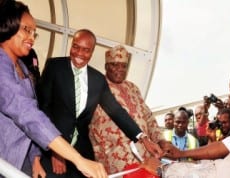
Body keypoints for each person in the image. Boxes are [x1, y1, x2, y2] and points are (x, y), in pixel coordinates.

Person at [0, 1, 107, 178]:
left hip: (20, 160)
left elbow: (33, 111)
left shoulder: (21, 66)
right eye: (27, 30)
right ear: (8, 25)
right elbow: (26, 114)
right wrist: (78, 160)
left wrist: (35, 159)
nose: (32, 38)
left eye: (35, 33)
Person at [38, 31, 163, 177]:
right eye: (76, 47)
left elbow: (117, 111)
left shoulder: (97, 79)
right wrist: (56, 150)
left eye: (86, 50)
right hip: (53, 147)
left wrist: (144, 139)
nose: (79, 53)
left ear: (92, 52)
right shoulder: (55, 67)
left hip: (82, 153)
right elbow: (43, 107)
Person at [89, 45, 166, 174]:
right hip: (116, 160)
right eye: (115, 65)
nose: (120, 69)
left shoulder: (133, 88)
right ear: (106, 66)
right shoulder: (96, 88)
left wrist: (160, 140)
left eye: (124, 65)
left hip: (145, 156)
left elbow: (148, 117)